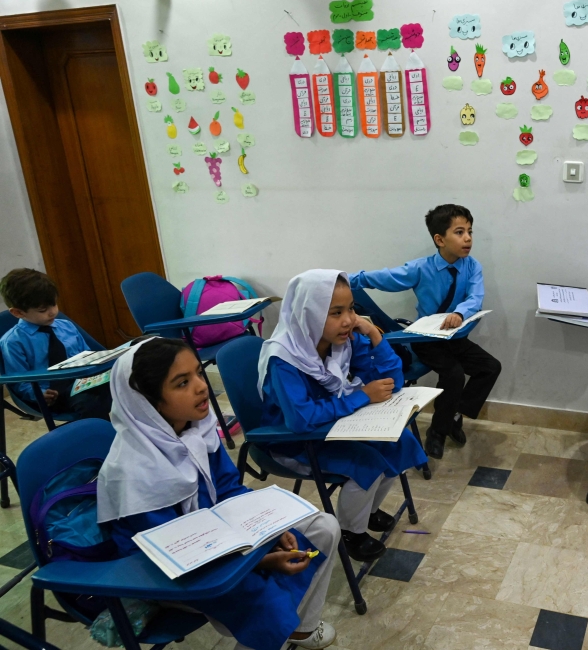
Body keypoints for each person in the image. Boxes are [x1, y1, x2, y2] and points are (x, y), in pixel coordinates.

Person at [96, 337, 338, 650]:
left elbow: (227, 488)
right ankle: (268, 636)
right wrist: (260, 558)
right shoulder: (134, 470)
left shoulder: (194, 429)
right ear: (149, 402)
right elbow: (179, 551)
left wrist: (268, 530)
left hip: (216, 540)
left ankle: (300, 630)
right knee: (262, 596)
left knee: (324, 527)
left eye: (199, 373)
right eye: (182, 383)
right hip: (170, 570)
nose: (201, 387)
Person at [258, 269, 427, 563]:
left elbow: (392, 382)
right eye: (335, 312)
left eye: (350, 309)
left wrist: (374, 334)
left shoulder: (342, 340)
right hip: (295, 442)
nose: (348, 319)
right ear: (309, 313)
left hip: (334, 426)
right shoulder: (283, 358)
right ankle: (352, 533)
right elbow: (301, 419)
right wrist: (361, 396)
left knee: (400, 442)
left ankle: (366, 512)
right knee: (367, 462)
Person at [350, 204, 502, 459]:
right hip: (426, 339)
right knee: (453, 375)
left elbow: (475, 297)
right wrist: (348, 279)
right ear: (439, 239)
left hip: (455, 337)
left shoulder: (472, 266)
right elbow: (387, 277)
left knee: (490, 367)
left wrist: (460, 314)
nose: (468, 238)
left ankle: (453, 415)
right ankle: (437, 433)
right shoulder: (421, 268)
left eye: (470, 232)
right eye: (460, 232)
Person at [0, 268, 112, 420]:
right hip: (53, 394)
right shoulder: (13, 342)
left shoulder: (66, 326)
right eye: (43, 310)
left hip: (84, 382)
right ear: (18, 313)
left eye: (54, 305)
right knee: (90, 402)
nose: (53, 312)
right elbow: (18, 380)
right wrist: (39, 394)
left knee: (134, 382)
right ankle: (103, 438)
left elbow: (88, 356)